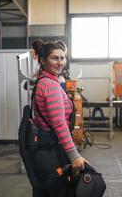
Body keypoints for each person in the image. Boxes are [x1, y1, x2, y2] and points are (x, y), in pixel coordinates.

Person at [31, 40, 89, 197]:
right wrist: (74, 155)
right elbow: (59, 124)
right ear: (43, 60)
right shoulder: (51, 86)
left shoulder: (43, 81)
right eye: (54, 58)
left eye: (62, 58)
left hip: (46, 148)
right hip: (51, 149)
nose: (60, 62)